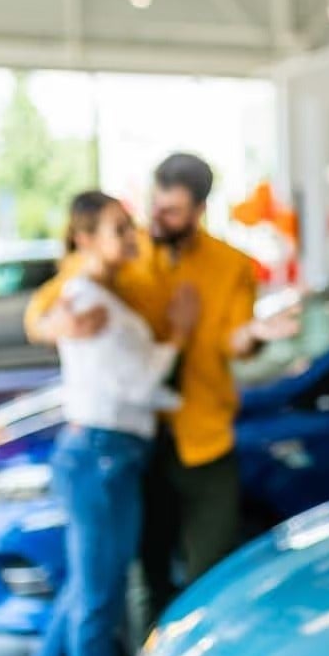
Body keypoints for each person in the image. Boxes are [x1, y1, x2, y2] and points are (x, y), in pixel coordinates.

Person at [25, 154, 297, 630]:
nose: (157, 218)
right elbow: (47, 305)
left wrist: (254, 332)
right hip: (141, 443)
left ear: (199, 209)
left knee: (208, 575)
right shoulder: (127, 251)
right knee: (146, 579)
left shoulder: (230, 265)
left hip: (205, 439)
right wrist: (53, 325)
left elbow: (232, 339)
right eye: (156, 204)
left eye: (171, 210)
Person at [0, 191, 198, 656]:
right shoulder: (87, 299)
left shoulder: (100, 294)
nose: (130, 237)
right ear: (82, 237)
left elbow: (125, 383)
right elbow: (133, 384)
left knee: (80, 598)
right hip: (104, 457)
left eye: (130, 227)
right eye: (116, 229)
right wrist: (179, 338)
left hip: (109, 453)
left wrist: (175, 397)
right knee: (96, 606)